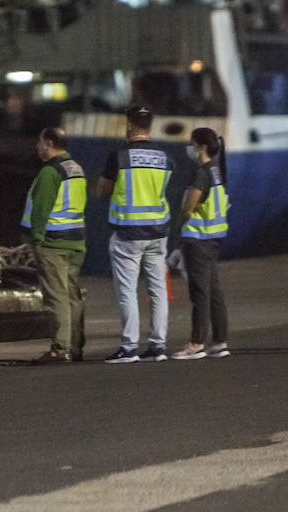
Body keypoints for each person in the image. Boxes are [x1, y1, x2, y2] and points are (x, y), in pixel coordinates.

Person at [95, 104, 173, 363]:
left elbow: (102, 191)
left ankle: (129, 347)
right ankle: (158, 346)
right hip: (158, 232)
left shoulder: (118, 156)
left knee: (127, 290)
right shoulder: (165, 157)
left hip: (128, 233)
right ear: (149, 126)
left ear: (129, 124)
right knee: (158, 289)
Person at [20, 127, 87, 363]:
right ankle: (75, 346)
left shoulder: (50, 172)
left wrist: (35, 239)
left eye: (39, 142)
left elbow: (41, 208)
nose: (37, 147)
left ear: (49, 143)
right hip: (75, 241)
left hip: (53, 242)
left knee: (56, 296)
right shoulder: (75, 168)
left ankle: (60, 348)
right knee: (72, 295)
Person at [171, 127, 231, 360]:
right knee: (214, 291)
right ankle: (219, 341)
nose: (189, 148)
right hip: (215, 237)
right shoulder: (216, 171)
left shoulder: (201, 174)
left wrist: (179, 223)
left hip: (198, 239)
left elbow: (188, 207)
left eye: (192, 143)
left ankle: (196, 343)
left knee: (200, 293)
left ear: (202, 147)